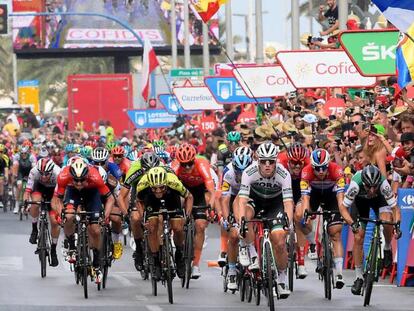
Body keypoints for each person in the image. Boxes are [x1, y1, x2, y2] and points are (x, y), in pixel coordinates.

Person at [238, 142, 294, 298]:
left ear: (276, 161)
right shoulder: (249, 172)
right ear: (258, 160)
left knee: (280, 240)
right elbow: (242, 200)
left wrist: (287, 223)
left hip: (275, 205)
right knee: (246, 217)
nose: (267, 165)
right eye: (264, 161)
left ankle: (282, 279)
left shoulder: (284, 174)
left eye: (271, 161)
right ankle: (251, 252)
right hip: (255, 202)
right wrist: (242, 221)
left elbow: (288, 202)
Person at [339, 165, 401, 295]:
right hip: (360, 202)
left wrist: (397, 225)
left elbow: (395, 208)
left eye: (375, 186)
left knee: (387, 221)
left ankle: (387, 248)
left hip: (379, 200)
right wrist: (352, 224)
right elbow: (343, 208)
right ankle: (358, 276)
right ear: (364, 183)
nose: (372, 190)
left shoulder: (383, 184)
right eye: (368, 186)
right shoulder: (355, 184)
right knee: (358, 236)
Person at [52, 158, 115, 283]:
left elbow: (110, 199)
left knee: (96, 230)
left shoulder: (95, 176)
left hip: (92, 194)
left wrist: (106, 216)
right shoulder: (64, 175)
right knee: (69, 216)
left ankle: (96, 264)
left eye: (82, 180)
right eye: (76, 180)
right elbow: (56, 200)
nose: (79, 183)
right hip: (72, 193)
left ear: (87, 176)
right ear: (71, 176)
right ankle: (71, 246)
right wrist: (60, 214)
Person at [298, 148, 346, 289]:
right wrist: (307, 214)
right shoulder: (306, 172)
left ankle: (339, 273)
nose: (320, 172)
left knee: (335, 233)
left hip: (332, 198)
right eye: (317, 169)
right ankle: (313, 241)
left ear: (328, 165)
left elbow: (340, 199)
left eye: (324, 168)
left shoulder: (337, 171)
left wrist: (342, 214)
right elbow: (305, 198)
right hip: (314, 196)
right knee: (301, 215)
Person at [136, 167, 193, 279]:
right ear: (150, 185)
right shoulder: (143, 184)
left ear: (166, 184)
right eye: (154, 188)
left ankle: (179, 254)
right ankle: (156, 260)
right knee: (152, 227)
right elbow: (138, 201)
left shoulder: (173, 182)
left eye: (161, 187)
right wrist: (143, 218)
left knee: (178, 227)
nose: (158, 191)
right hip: (151, 201)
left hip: (171, 198)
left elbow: (189, 197)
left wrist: (187, 215)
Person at [172, 143, 216, 279]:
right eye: (183, 164)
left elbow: (212, 191)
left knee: (200, 225)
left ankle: (195, 265)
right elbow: (171, 190)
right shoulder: (175, 167)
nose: (187, 167)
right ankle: (180, 247)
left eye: (189, 164)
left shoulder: (202, 164)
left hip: (199, 191)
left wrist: (210, 208)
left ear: (194, 160)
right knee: (177, 222)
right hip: (182, 190)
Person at [25, 158, 61, 266]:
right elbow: (27, 191)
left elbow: (58, 197)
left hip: (53, 192)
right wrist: (27, 202)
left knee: (54, 222)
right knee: (35, 203)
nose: (44, 176)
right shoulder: (34, 171)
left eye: (46, 174)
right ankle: (34, 229)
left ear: (51, 171)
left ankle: (53, 250)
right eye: (41, 174)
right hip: (39, 188)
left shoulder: (58, 173)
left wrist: (57, 209)